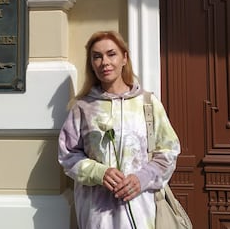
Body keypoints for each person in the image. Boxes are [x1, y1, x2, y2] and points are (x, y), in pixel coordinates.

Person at [58, 31, 181, 229]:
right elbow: (68, 156)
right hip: (98, 217)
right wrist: (99, 172)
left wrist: (142, 178)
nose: (104, 62)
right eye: (97, 56)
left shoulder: (148, 103)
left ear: (124, 58)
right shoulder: (83, 107)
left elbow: (168, 152)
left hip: (143, 215)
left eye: (111, 54)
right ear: (91, 63)